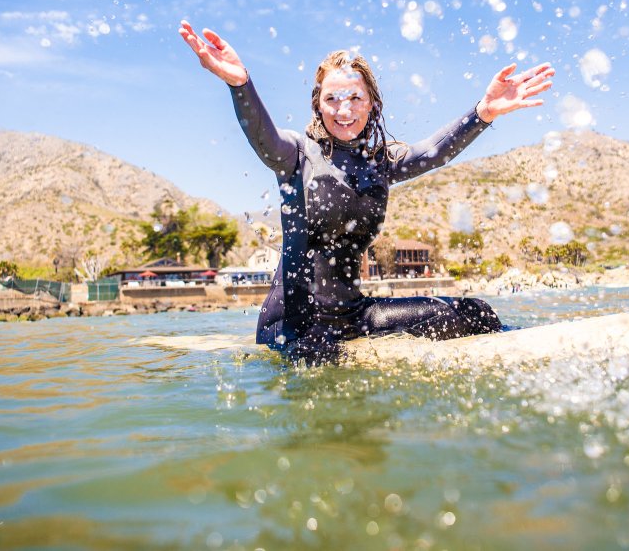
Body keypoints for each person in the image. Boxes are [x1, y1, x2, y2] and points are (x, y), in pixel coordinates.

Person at [179, 21, 555, 363]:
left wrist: (484, 112)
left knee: (470, 314)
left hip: (354, 314)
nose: (344, 109)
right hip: (296, 324)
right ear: (318, 103)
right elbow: (263, 138)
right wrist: (239, 84)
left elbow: (433, 152)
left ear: (371, 102)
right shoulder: (296, 154)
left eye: (355, 98)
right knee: (324, 368)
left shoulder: (381, 161)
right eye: (332, 99)